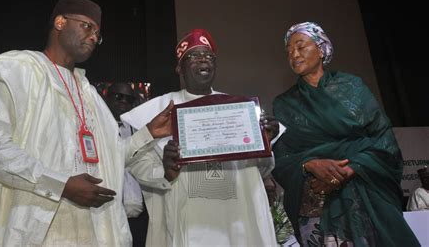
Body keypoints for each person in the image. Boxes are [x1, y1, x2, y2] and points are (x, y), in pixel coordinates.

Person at [0, 0, 173, 246]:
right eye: (87, 26)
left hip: (87, 232)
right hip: (28, 228)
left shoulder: (91, 95)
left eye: (98, 34)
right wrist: (61, 185)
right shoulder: (15, 70)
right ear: (60, 22)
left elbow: (109, 159)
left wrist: (147, 133)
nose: (93, 37)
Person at [121, 28, 278, 246]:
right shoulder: (159, 110)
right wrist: (165, 172)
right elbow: (137, 167)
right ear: (179, 68)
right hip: (187, 222)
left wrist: (265, 143)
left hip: (236, 222)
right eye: (194, 56)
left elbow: (261, 170)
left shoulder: (239, 110)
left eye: (208, 56)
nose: (203, 60)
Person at [272, 22, 420, 246]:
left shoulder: (352, 87)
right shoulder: (284, 104)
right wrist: (310, 165)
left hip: (365, 190)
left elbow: (383, 139)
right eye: (289, 51)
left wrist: (351, 169)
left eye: (301, 47)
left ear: (321, 49)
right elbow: (281, 158)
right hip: (316, 200)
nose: (294, 54)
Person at [104, 81, 149, 247]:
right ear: (106, 98)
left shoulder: (137, 129)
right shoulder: (97, 127)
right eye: (118, 97)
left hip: (136, 213)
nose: (123, 101)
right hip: (108, 211)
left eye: (129, 99)